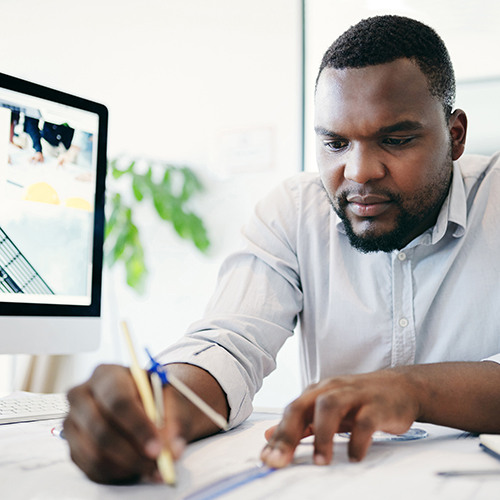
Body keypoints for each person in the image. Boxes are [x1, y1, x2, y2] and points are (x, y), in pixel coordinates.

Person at [63, 15, 500, 484]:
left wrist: (410, 390)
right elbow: (229, 345)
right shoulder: (293, 212)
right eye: (335, 143)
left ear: (455, 135)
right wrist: (158, 409)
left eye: (395, 140)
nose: (359, 171)